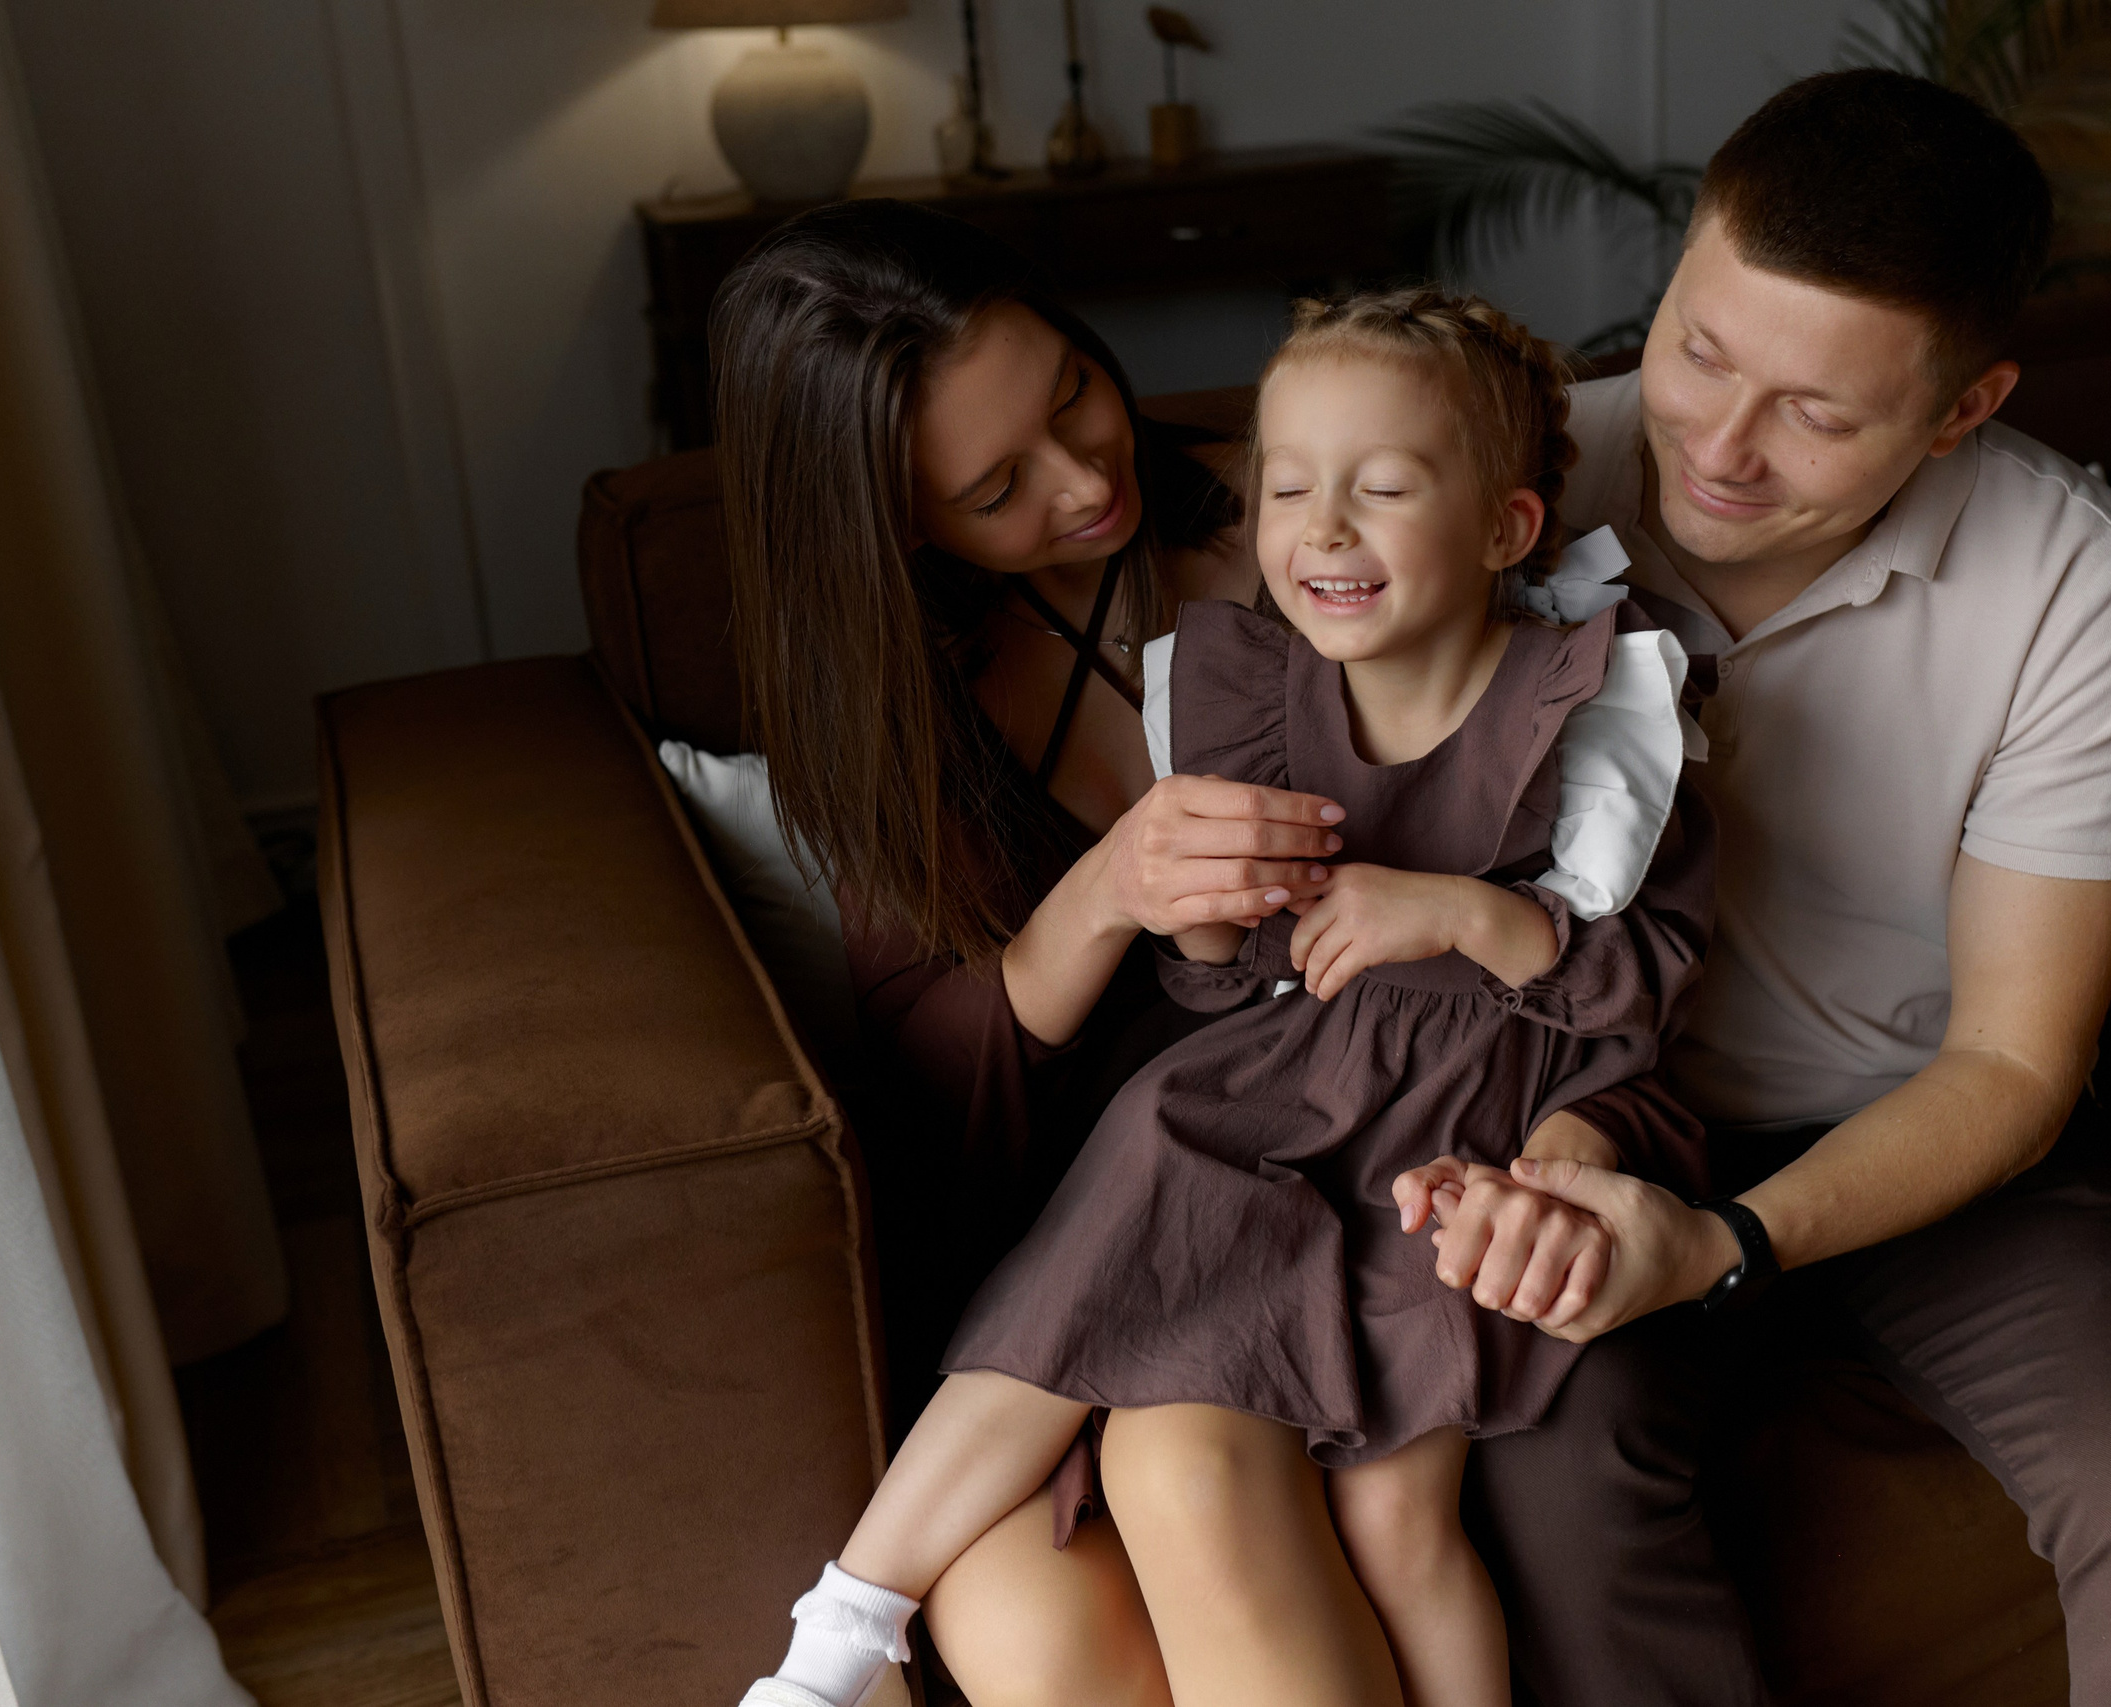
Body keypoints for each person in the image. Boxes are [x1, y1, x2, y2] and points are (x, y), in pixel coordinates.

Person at [1401, 69, 2111, 1706]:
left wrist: (1729, 1244)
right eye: (1697, 350)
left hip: (1940, 1128)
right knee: (1547, 1478)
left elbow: (2016, 1068)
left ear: (1964, 409)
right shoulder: (1504, 484)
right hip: (1586, 1122)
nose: (1723, 450)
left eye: (1820, 414)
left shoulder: (2077, 584)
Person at [711, 205, 1693, 1707]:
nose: (1086, 476)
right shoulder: (901, 712)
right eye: (995, 487)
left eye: (1071, 398)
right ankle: (846, 1624)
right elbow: (928, 1096)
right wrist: (1105, 893)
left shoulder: (1319, 524)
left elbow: (1609, 936)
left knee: (1211, 1490)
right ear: (899, 524)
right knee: (1036, 1643)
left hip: (1389, 1172)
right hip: (1115, 1206)